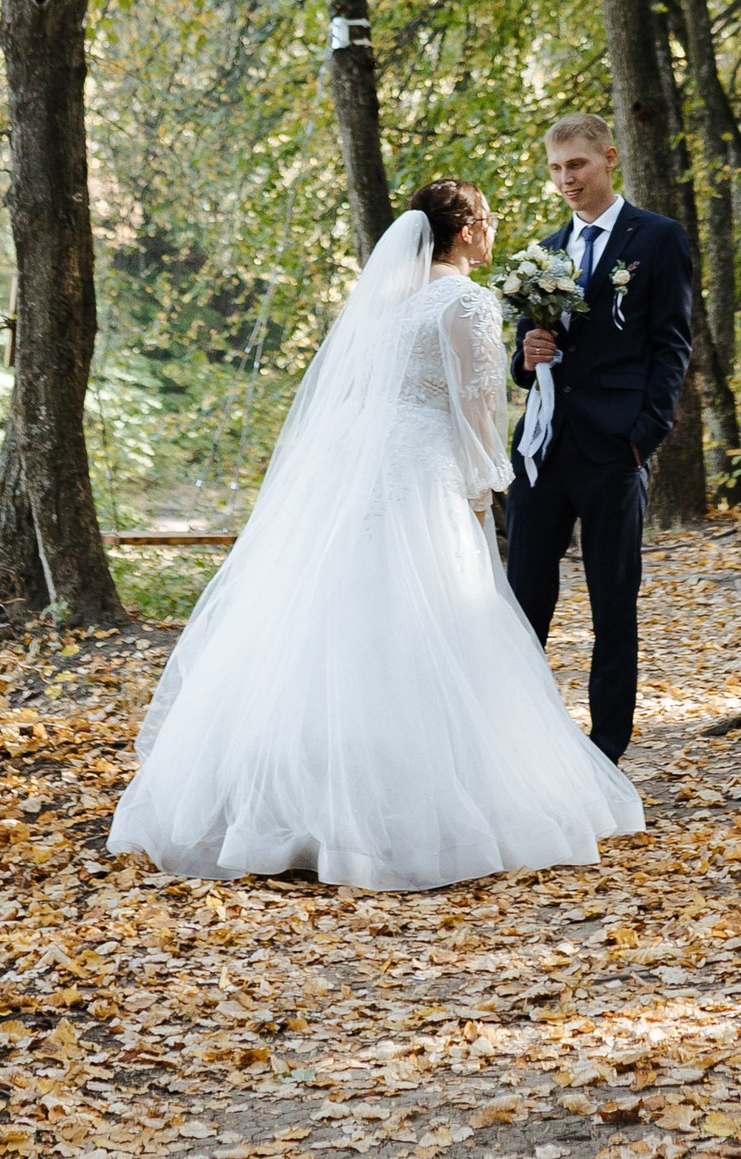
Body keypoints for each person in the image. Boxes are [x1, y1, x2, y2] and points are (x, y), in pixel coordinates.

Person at [108, 182, 642, 891]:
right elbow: (478, 408)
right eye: (486, 222)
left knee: (347, 620)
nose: (492, 233)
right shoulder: (467, 301)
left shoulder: (388, 302)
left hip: (363, 469)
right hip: (425, 474)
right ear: (466, 230)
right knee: (436, 619)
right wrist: (486, 487)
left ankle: (302, 803)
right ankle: (420, 808)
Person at [506, 111, 694, 761]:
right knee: (523, 603)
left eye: (577, 165)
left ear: (608, 157)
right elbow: (525, 357)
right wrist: (524, 356)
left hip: (615, 451)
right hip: (541, 454)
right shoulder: (545, 252)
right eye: (556, 168)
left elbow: (673, 345)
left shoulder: (658, 239)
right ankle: (521, 744)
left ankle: (604, 750)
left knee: (613, 608)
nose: (567, 179)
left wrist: (644, 436)